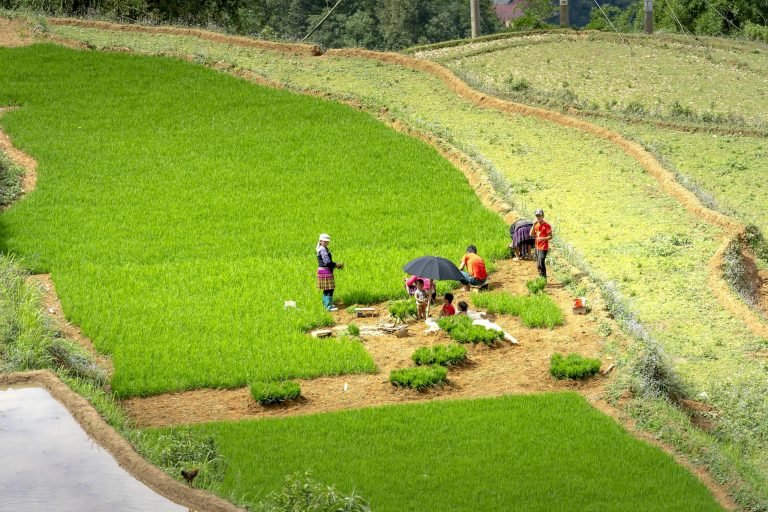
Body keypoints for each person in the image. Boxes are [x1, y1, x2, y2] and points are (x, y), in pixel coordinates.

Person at [316, 233, 344, 311]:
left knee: (326, 289)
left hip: (323, 270)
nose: (326, 243)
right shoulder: (323, 250)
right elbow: (327, 262)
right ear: (320, 241)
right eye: (325, 241)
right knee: (330, 288)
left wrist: (335, 265)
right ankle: (328, 307)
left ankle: (326, 305)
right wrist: (336, 265)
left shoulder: (321, 248)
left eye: (327, 241)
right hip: (325, 271)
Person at [530, 209, 552, 279]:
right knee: (538, 264)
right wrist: (533, 225)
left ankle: (544, 278)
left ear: (543, 216)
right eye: (537, 216)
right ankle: (541, 277)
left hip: (544, 247)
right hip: (537, 247)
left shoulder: (547, 225)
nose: (538, 218)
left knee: (541, 262)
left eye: (540, 216)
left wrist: (542, 238)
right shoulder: (536, 225)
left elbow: (550, 236)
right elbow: (531, 234)